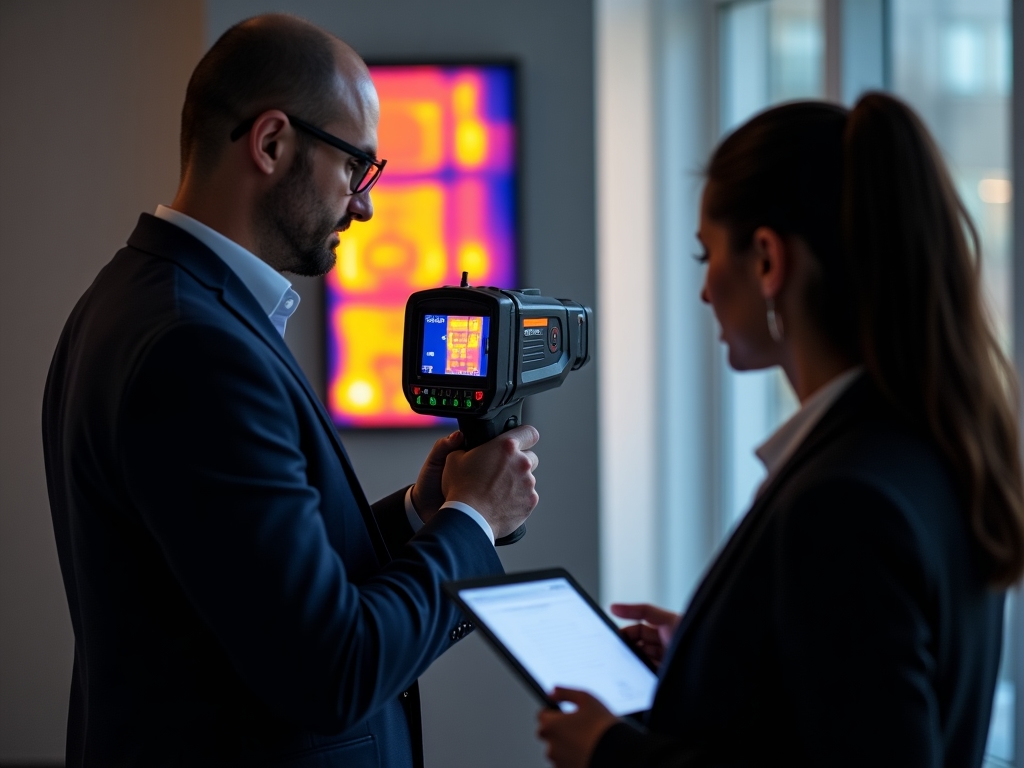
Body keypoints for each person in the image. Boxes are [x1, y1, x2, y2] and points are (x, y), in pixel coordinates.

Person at [42, 14, 540, 768]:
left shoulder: (142, 298)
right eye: (355, 168)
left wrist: (420, 514)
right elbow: (329, 671)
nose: (365, 205)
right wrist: (473, 519)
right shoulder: (195, 347)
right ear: (272, 143)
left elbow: (254, 583)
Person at [537, 93, 1024, 767]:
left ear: (768, 260)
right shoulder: (930, 449)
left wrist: (611, 750)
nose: (706, 290)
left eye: (705, 254)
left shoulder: (845, 498)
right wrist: (714, 657)